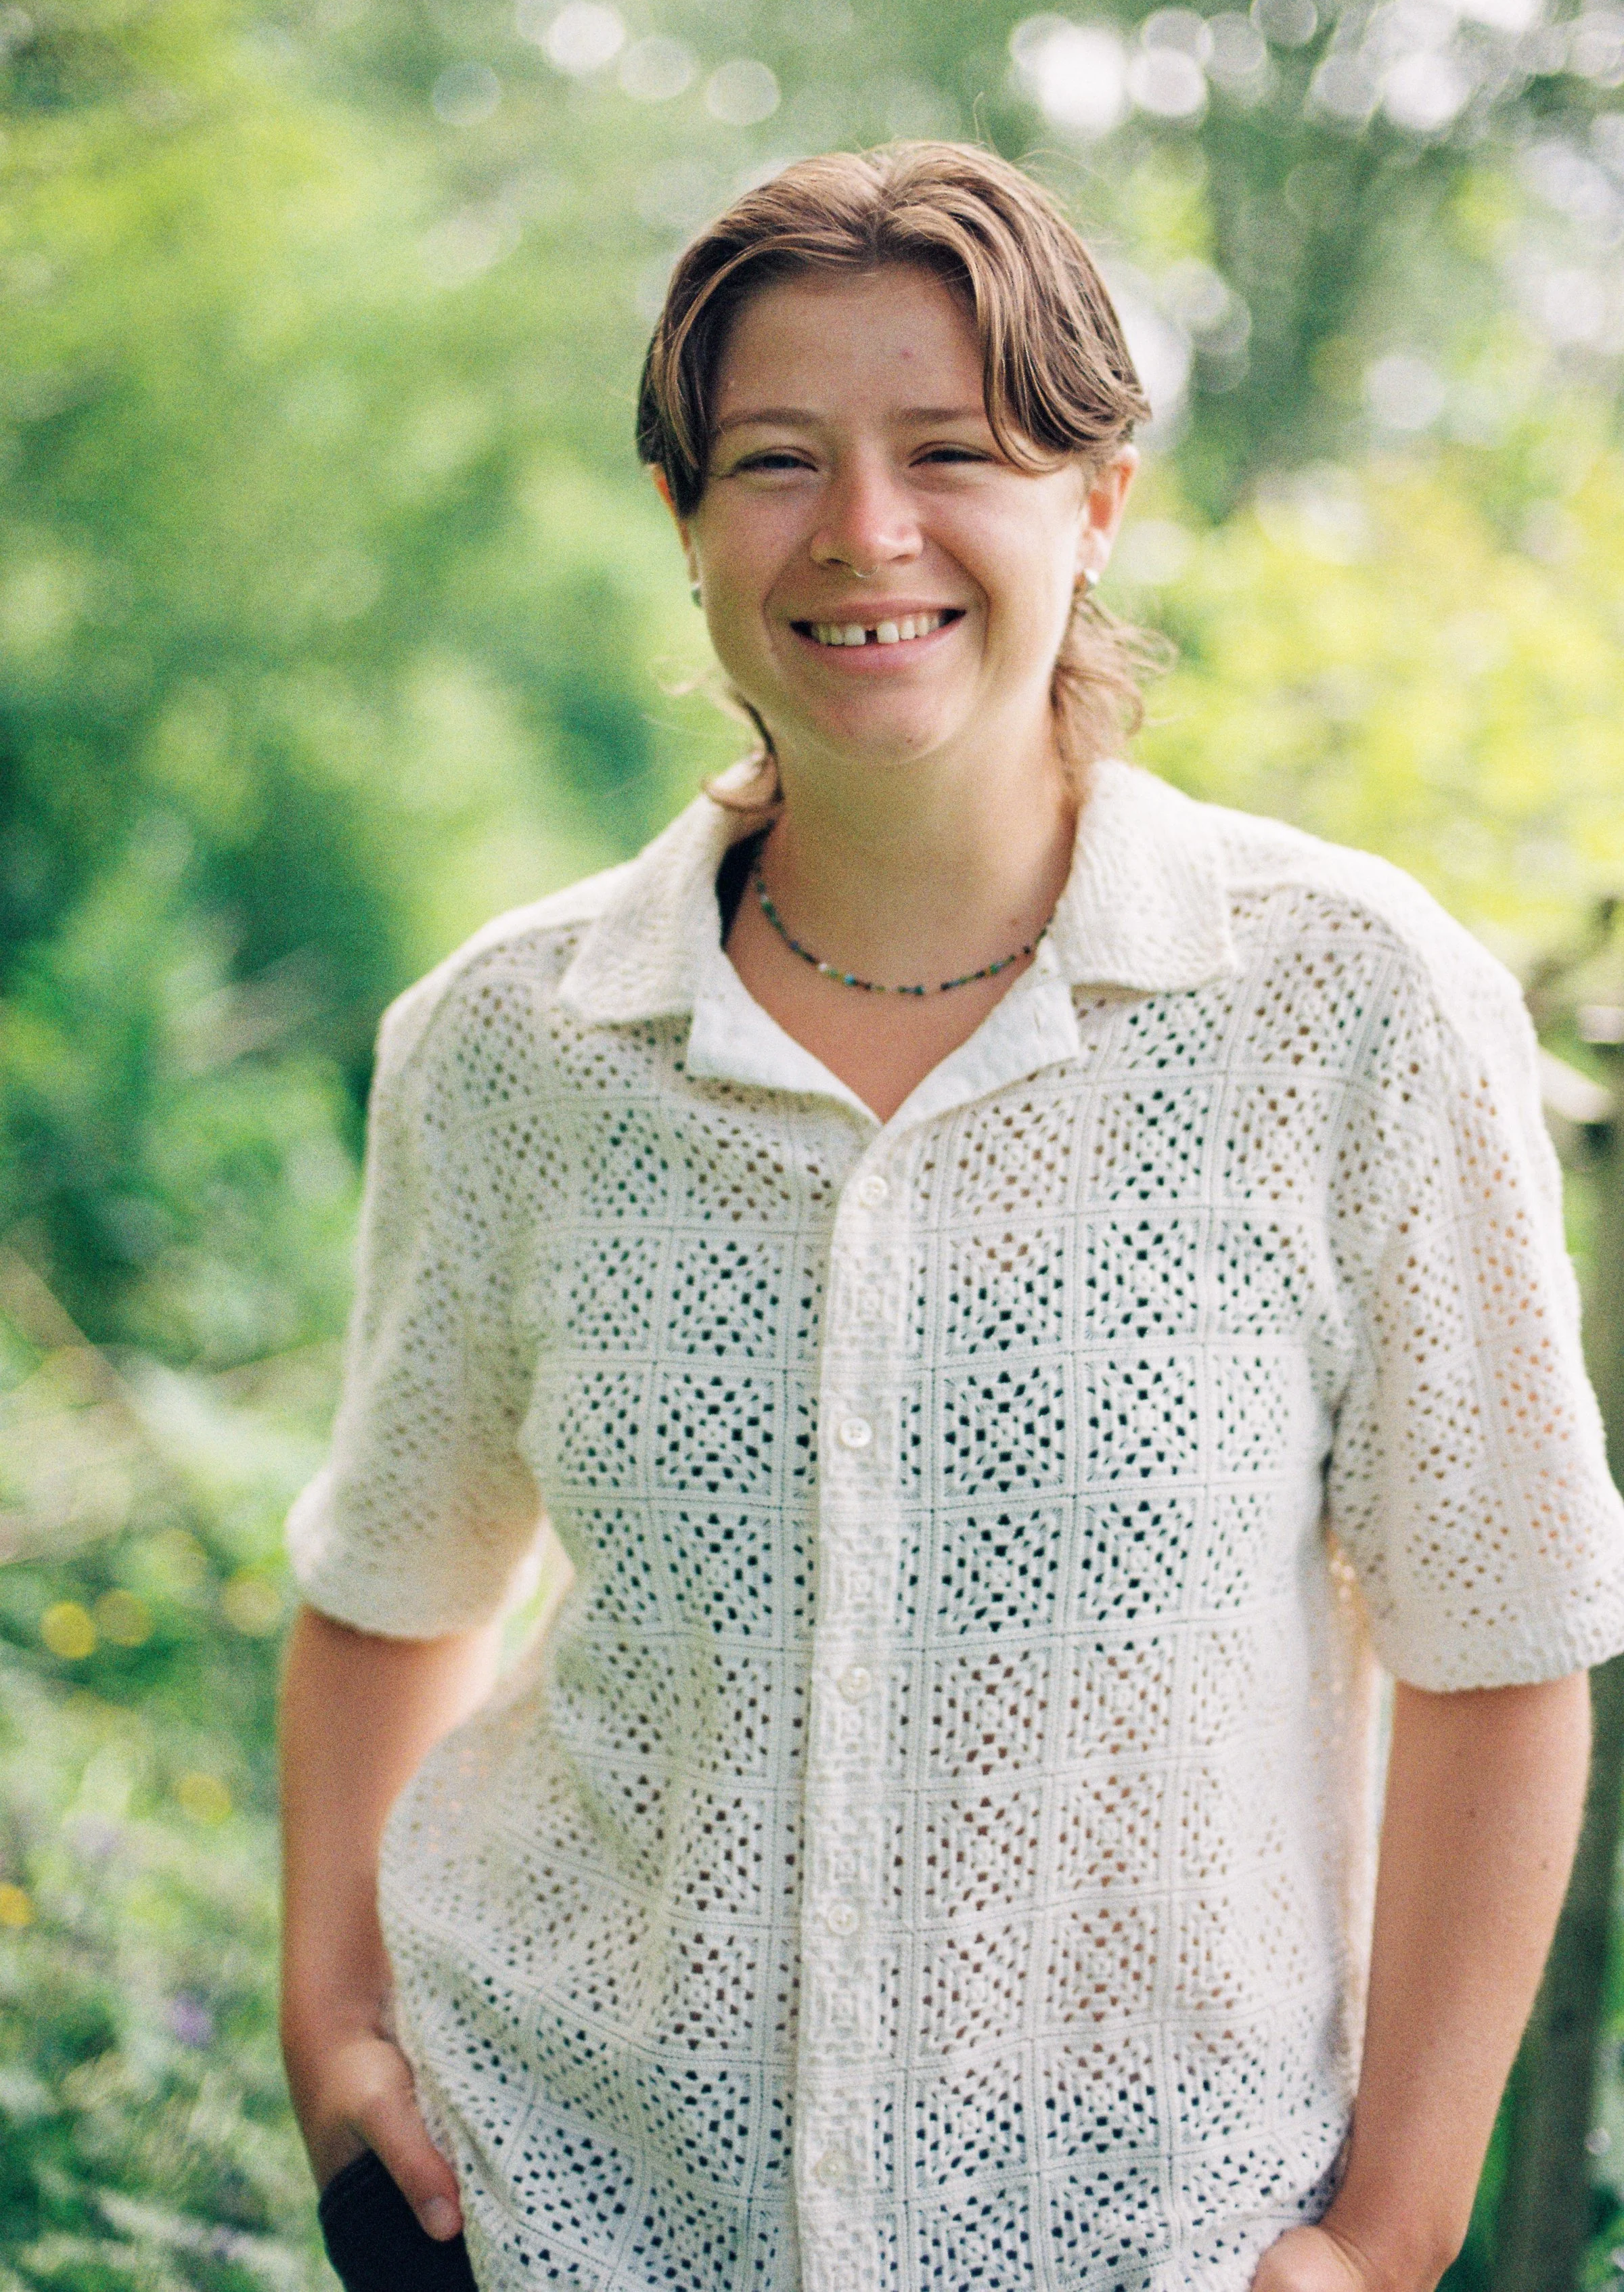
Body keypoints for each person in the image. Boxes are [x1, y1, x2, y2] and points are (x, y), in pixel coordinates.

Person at [278, 143, 1624, 2292]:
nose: (864, 535)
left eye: (954, 452)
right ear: (689, 528)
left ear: (1096, 503)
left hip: (1151, 2245)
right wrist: (335, 2030)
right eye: (777, 462)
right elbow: (387, 1585)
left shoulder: (1351, 1005)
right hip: (570, 2223)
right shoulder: (510, 1046)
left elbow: (1504, 1643)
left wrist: (1386, 2236)